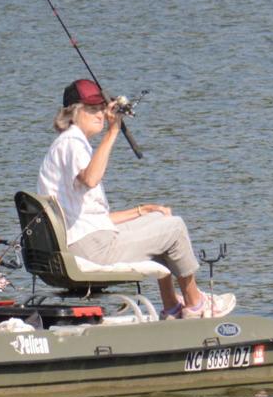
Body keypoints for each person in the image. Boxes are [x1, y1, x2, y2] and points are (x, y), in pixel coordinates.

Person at [37, 79, 236, 319]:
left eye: (102, 107)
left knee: (159, 219)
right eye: (91, 108)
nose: (100, 113)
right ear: (73, 112)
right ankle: (196, 304)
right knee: (174, 228)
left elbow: (92, 217)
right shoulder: (73, 143)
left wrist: (143, 210)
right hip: (90, 249)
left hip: (83, 242)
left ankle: (172, 306)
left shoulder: (64, 145)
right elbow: (91, 179)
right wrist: (112, 132)